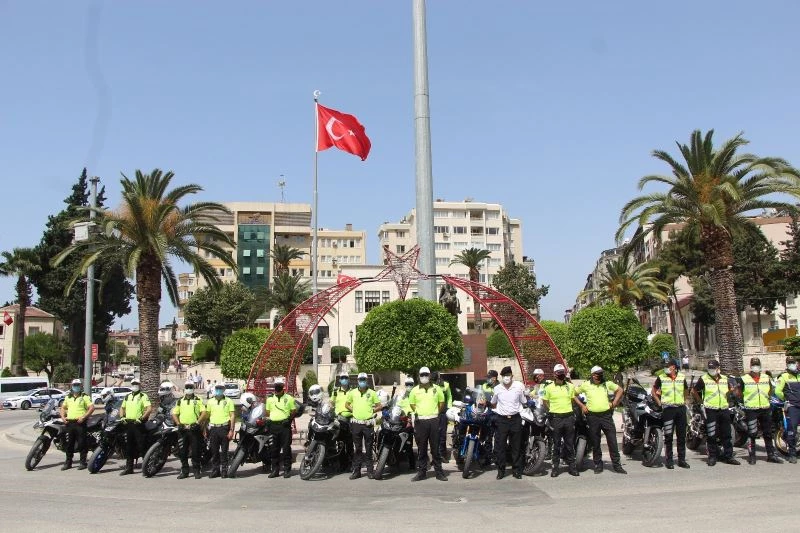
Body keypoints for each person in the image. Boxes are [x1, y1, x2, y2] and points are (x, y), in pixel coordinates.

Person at [574, 366, 626, 474]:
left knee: (612, 441)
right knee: (595, 442)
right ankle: (598, 465)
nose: (600, 375)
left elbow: (620, 390)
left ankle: (617, 465)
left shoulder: (606, 383)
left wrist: (614, 403)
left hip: (606, 416)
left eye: (601, 373)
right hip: (592, 417)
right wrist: (582, 406)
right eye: (598, 373)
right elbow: (574, 394)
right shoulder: (586, 384)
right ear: (593, 374)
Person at [691, 359, 740, 466]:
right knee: (711, 434)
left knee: (727, 434)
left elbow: (731, 391)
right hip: (710, 410)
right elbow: (694, 391)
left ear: (718, 368)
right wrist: (701, 402)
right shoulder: (704, 379)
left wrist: (733, 391)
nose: (711, 370)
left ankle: (728, 456)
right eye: (710, 368)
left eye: (713, 368)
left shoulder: (725, 379)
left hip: (723, 409)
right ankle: (712, 457)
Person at [738, 357, 783, 464]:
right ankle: (752, 456)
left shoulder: (766, 377)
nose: (755, 367)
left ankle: (771, 455)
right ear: (750, 366)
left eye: (757, 365)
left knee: (767, 433)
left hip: (765, 408)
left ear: (760, 366)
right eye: (753, 365)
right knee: (752, 433)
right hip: (751, 409)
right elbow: (739, 393)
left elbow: (771, 391)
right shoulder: (744, 379)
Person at [490, 366, 528, 479]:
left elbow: (523, 401)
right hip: (502, 420)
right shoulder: (497, 388)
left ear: (512, 376)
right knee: (500, 446)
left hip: (515, 419)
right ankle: (501, 470)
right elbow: (493, 402)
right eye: (504, 376)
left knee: (516, 446)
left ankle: (516, 470)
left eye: (508, 375)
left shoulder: (518, 387)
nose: (506, 378)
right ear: (501, 377)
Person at [409, 367, 447, 481]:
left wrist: (434, 412)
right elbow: (412, 404)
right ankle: (422, 472)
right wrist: (421, 412)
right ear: (419, 376)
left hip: (434, 420)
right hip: (421, 421)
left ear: (430, 375)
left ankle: (439, 472)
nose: (424, 377)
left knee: (435, 448)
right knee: (422, 448)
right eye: (422, 375)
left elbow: (441, 403)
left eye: (426, 374)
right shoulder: (414, 390)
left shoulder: (437, 389)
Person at [652, 360, 689, 469]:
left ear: (673, 367)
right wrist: (659, 403)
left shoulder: (681, 377)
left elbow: (686, 391)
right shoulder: (661, 377)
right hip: (668, 410)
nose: (666, 368)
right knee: (668, 436)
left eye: (668, 366)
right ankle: (669, 460)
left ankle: (681, 460)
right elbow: (654, 391)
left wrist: (684, 401)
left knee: (681, 436)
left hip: (680, 409)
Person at [543, 364, 579, 477]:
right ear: (554, 374)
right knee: (556, 444)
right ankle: (555, 468)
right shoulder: (548, 388)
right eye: (559, 372)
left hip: (568, 417)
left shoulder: (570, 386)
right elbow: (545, 402)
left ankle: (572, 467)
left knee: (569, 444)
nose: (561, 374)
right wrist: (552, 410)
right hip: (556, 418)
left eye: (562, 372)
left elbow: (573, 399)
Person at [344, 372, 382, 479]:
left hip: (368, 424)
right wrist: (353, 410)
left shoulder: (372, 393)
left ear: (367, 381)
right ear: (357, 381)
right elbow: (346, 404)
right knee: (358, 449)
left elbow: (380, 405)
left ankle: (370, 471)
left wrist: (372, 411)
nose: (362, 382)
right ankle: (357, 471)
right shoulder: (352, 393)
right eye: (360, 380)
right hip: (356, 424)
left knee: (369, 448)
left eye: (364, 380)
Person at [172, 380, 207, 479]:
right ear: (184, 389)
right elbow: (174, 413)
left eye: (190, 387)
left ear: (193, 388)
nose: (188, 389)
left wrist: (197, 423)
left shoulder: (198, 400)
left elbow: (204, 413)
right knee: (182, 452)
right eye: (187, 387)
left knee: (196, 451)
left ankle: (196, 470)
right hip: (183, 429)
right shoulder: (180, 401)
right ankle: (185, 471)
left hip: (194, 429)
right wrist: (178, 423)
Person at [59, 378, 95, 470]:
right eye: (74, 385)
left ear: (81, 386)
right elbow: (63, 408)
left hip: (80, 423)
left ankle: (83, 462)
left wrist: (84, 417)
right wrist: (63, 417)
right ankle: (68, 463)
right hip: (70, 423)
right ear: (72, 386)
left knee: (82, 443)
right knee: (69, 444)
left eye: (78, 385)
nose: (76, 387)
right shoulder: (68, 397)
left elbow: (91, 407)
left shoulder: (84, 396)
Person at [119, 378, 153, 475]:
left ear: (139, 385)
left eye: (136, 384)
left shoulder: (143, 396)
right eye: (133, 384)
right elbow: (122, 407)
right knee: (129, 446)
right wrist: (122, 417)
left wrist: (142, 418)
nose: (135, 385)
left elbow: (149, 408)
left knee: (141, 446)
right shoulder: (128, 396)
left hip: (138, 424)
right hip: (129, 424)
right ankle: (129, 468)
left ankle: (147, 466)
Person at [265, 376, 296, 478]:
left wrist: (289, 420)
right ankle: (275, 470)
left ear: (283, 386)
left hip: (284, 427)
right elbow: (268, 412)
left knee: (286, 448)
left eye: (279, 386)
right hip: (273, 426)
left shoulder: (289, 398)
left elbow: (293, 411)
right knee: (274, 449)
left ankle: (287, 470)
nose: (277, 387)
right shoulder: (270, 399)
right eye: (276, 386)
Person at [205, 383, 235, 478]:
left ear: (224, 389)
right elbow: (207, 416)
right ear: (215, 389)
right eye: (217, 388)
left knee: (224, 451)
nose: (219, 390)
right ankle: (215, 470)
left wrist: (231, 430)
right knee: (214, 451)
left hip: (224, 428)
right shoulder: (210, 401)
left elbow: (232, 415)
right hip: (213, 428)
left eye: (221, 388)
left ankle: (224, 470)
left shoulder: (229, 401)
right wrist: (205, 429)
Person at [776, 356, 800, 463]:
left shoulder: (799, 375)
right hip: (792, 406)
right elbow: (777, 391)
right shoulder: (783, 377)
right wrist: (786, 399)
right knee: (792, 430)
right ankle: (792, 454)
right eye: (790, 363)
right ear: (786, 364)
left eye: (793, 362)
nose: (792, 364)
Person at [331, 369, 354, 472]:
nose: (344, 380)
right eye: (342, 378)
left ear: (348, 379)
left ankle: (351, 464)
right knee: (340, 443)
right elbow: (331, 402)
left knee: (349, 443)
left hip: (350, 419)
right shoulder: (335, 391)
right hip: (339, 420)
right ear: (339, 380)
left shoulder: (353, 391)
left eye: (346, 378)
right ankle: (342, 464)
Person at [432, 371, 453, 462]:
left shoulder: (445, 385)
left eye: (433, 380)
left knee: (442, 435)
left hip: (443, 412)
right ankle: (434, 457)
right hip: (432, 413)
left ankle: (442, 455)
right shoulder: (430, 385)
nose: (432, 382)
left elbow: (449, 397)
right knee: (433, 436)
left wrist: (449, 409)